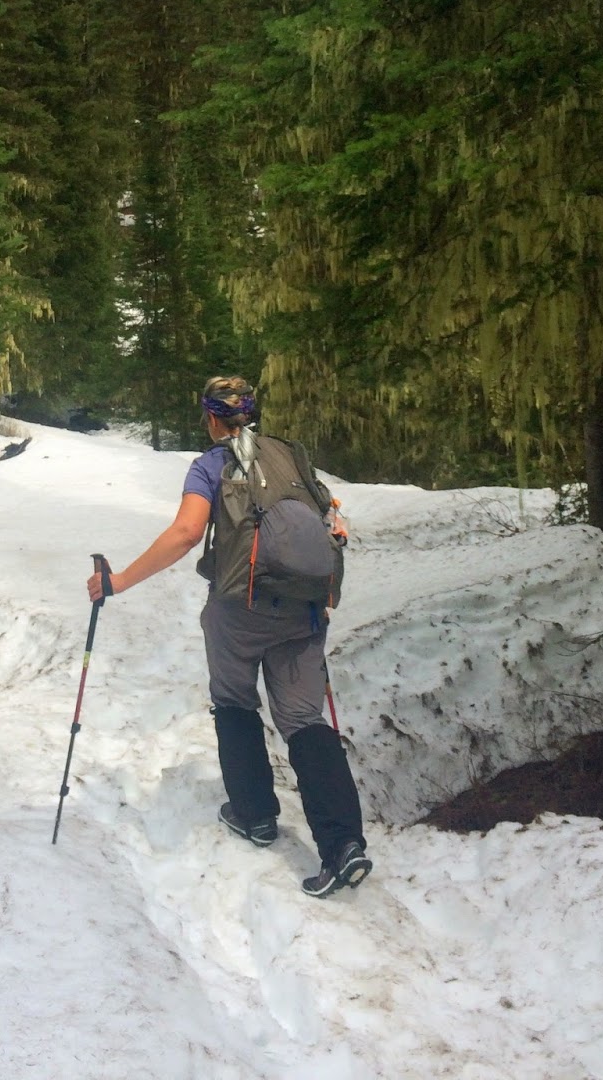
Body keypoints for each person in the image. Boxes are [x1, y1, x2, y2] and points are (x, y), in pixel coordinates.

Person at [87, 375, 371, 897]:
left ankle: (255, 813)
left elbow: (187, 533)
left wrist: (119, 580)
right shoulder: (289, 455)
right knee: (305, 720)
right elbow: (332, 514)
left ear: (212, 417)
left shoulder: (211, 465)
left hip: (239, 609)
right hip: (304, 608)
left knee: (234, 699)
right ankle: (343, 844)